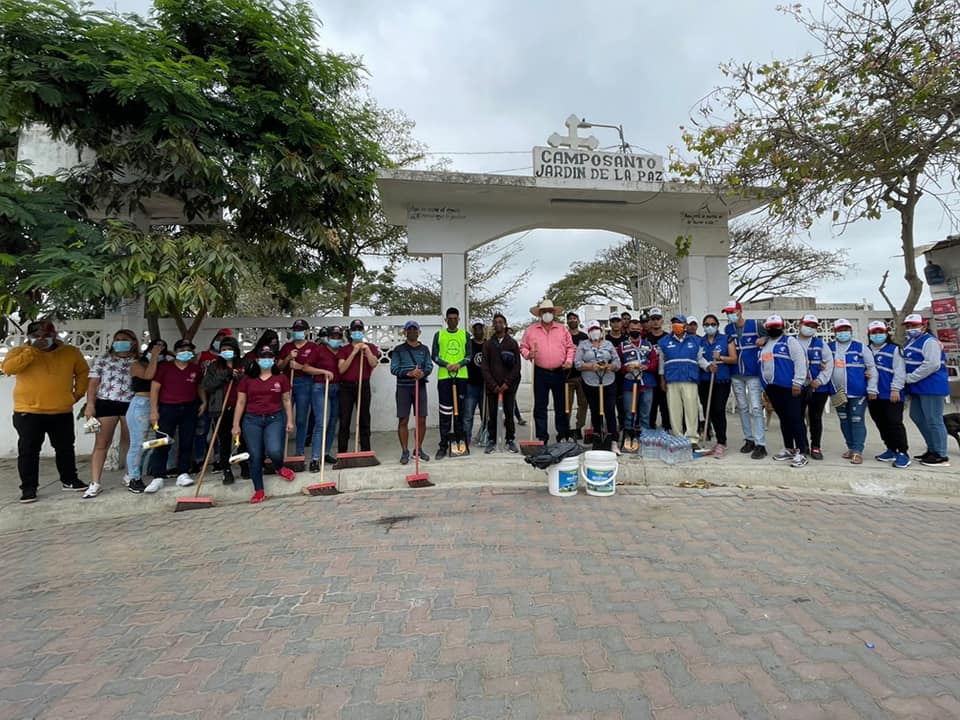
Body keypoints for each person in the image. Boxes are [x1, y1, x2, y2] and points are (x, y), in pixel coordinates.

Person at [3, 319, 89, 502]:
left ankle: (69, 480)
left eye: (46, 335)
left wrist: (77, 394)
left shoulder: (70, 352)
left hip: (61, 410)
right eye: (36, 336)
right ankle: (28, 488)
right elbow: (9, 368)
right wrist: (31, 351)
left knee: (65, 448)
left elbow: (83, 372)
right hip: (28, 412)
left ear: (54, 335)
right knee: (28, 451)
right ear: (29, 337)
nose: (41, 339)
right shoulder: (19, 351)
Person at [231, 347, 295, 504]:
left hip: (275, 418)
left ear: (274, 359)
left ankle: (279, 466)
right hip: (252, 420)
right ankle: (258, 490)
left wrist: (289, 420)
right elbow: (241, 402)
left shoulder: (281, 378)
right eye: (263, 357)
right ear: (257, 360)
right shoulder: (247, 380)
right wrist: (236, 425)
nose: (266, 360)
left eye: (269, 357)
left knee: (274, 450)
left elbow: (287, 400)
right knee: (255, 455)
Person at [81, 328, 138, 498]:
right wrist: (90, 405)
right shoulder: (102, 360)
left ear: (133, 342)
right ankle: (95, 482)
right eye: (117, 339)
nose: (120, 342)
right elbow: (93, 384)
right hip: (106, 403)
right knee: (101, 443)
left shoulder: (138, 361)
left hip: (131, 403)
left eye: (124, 339)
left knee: (129, 442)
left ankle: (130, 476)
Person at [147, 339, 204, 492]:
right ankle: (158, 476)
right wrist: (153, 411)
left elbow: (199, 386)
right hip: (168, 408)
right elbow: (154, 389)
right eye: (182, 349)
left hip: (189, 407)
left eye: (189, 350)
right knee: (162, 441)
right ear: (176, 351)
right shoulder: (165, 367)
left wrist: (204, 401)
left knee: (187, 441)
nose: (186, 352)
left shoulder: (195, 368)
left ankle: (183, 473)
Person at [520, 299, 575, 444]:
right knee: (540, 406)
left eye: (550, 311)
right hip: (540, 372)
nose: (547, 314)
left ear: (554, 313)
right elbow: (523, 347)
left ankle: (562, 435)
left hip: (559, 371)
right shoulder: (531, 330)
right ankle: (541, 437)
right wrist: (528, 354)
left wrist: (569, 360)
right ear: (540, 314)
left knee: (561, 406)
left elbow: (570, 347)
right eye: (544, 312)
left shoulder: (562, 329)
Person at [758, 314, 809, 468]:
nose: (774, 329)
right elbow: (762, 365)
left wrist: (798, 382)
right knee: (784, 419)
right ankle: (789, 448)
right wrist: (765, 386)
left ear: (783, 327)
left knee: (795, 418)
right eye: (771, 327)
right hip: (772, 388)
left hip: (790, 387)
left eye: (777, 326)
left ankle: (802, 451)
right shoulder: (765, 344)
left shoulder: (790, 341)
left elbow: (800, 362)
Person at [902, 313, 951, 466]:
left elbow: (932, 364)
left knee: (934, 420)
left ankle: (941, 454)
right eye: (908, 326)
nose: (911, 328)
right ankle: (932, 448)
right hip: (917, 387)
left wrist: (911, 377)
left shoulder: (929, 341)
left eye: (914, 325)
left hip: (931, 386)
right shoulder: (911, 341)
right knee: (917, 416)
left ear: (923, 326)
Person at [828, 319, 877, 464]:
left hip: (857, 392)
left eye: (846, 330)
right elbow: (822, 364)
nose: (843, 332)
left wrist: (872, 388)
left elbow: (871, 368)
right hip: (837, 391)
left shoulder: (860, 347)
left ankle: (858, 450)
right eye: (840, 330)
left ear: (850, 331)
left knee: (857, 420)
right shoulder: (829, 348)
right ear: (835, 332)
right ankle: (850, 447)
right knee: (844, 420)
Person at [723, 299, 768, 459]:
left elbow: (770, 337)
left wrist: (764, 340)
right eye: (728, 313)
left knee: (755, 408)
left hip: (753, 373)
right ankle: (749, 439)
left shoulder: (755, 325)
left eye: (732, 312)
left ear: (740, 311)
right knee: (742, 407)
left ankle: (760, 443)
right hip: (736, 373)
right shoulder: (728, 329)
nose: (730, 315)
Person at [200, 336, 247, 484]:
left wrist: (239, 377)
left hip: (241, 407)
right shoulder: (214, 366)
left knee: (243, 438)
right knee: (224, 439)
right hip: (221, 408)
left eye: (229, 349)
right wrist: (224, 375)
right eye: (224, 349)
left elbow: (250, 383)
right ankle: (226, 469)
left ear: (235, 350)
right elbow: (207, 385)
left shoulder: (243, 364)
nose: (226, 351)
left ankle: (244, 465)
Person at [866, 321, 911, 469]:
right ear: (869, 335)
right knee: (881, 423)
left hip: (891, 394)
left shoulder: (895, 349)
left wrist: (895, 389)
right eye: (874, 332)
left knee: (894, 423)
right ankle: (891, 449)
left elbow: (900, 372)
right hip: (873, 395)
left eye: (880, 332)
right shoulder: (866, 350)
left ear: (886, 333)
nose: (877, 335)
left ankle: (903, 453)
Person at [390, 320, 433, 464]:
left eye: (415, 329)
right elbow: (394, 368)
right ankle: (405, 451)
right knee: (403, 419)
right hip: (403, 388)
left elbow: (429, 366)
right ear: (405, 332)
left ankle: (418, 449)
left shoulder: (425, 349)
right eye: (410, 329)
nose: (412, 332)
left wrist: (422, 373)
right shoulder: (398, 350)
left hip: (419, 387)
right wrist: (409, 373)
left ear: (419, 332)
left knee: (421, 419)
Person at [277, 320, 322, 460]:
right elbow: (279, 367)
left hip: (305, 384)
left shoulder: (313, 347)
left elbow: (316, 367)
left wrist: (300, 366)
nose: (298, 332)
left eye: (301, 329)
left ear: (307, 331)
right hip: (287, 384)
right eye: (296, 329)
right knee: (284, 418)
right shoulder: (287, 347)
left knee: (301, 419)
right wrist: (288, 358)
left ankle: (299, 451)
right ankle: (280, 451)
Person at [125, 340, 165, 493]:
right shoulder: (137, 364)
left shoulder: (162, 365)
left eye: (162, 349)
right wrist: (154, 356)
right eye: (156, 348)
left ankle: (150, 470)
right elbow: (148, 376)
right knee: (138, 443)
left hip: (156, 404)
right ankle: (133, 478)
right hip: (141, 404)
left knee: (155, 441)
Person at [575, 321, 621, 453]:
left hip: (608, 380)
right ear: (588, 332)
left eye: (597, 329)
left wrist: (609, 366)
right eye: (592, 329)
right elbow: (577, 364)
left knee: (610, 410)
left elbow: (617, 362)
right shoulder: (583, 345)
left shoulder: (608, 344)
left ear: (601, 331)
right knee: (595, 410)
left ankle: (613, 441)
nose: (595, 331)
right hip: (590, 382)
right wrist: (590, 366)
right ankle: (598, 438)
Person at [658, 314, 702, 448]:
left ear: (685, 325)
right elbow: (661, 363)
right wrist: (662, 379)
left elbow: (700, 359)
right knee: (674, 410)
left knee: (691, 410)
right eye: (674, 322)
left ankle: (692, 439)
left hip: (690, 379)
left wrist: (708, 366)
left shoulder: (695, 341)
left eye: (679, 322)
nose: (676, 325)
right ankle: (678, 438)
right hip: (672, 380)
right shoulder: (664, 341)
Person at [337, 319, 380, 454]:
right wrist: (354, 352)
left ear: (363, 331)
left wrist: (366, 351)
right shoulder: (344, 349)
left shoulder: (371, 347)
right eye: (354, 329)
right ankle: (342, 453)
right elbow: (341, 369)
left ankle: (365, 451)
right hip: (346, 387)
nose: (357, 331)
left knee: (364, 419)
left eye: (359, 329)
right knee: (344, 420)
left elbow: (373, 363)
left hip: (363, 385)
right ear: (350, 332)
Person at [431, 307, 469, 458]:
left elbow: (469, 355)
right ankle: (443, 445)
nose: (452, 321)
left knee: (460, 412)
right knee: (445, 413)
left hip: (461, 377)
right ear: (446, 320)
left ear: (459, 320)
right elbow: (434, 356)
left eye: (455, 318)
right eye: (450, 319)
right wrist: (446, 364)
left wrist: (459, 364)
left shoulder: (465, 335)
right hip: (445, 378)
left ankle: (460, 441)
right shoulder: (439, 335)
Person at [795, 314, 834, 460]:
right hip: (797, 386)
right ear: (800, 324)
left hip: (818, 388)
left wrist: (820, 380)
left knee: (815, 417)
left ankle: (816, 446)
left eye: (813, 326)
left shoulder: (821, 344)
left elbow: (829, 364)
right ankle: (802, 445)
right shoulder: (791, 341)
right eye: (807, 325)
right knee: (797, 417)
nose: (809, 328)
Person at [481, 313, 522, 453]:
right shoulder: (488, 344)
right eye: (495, 322)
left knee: (509, 413)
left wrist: (507, 383)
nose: (498, 324)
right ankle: (492, 440)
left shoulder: (512, 343)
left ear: (505, 324)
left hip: (508, 387)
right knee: (492, 415)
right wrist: (493, 385)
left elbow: (517, 366)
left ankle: (510, 439)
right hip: (493, 388)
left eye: (500, 322)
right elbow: (484, 367)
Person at [698, 314, 737, 457]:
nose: (710, 326)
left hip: (721, 380)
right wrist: (708, 367)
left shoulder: (726, 339)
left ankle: (722, 441)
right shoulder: (700, 341)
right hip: (704, 380)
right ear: (703, 326)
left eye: (713, 324)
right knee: (708, 410)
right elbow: (698, 359)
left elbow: (734, 359)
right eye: (707, 324)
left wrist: (720, 357)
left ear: (717, 325)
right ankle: (715, 436)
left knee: (718, 410)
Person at [618, 318, 657, 452]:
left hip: (646, 383)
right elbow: (617, 363)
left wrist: (647, 367)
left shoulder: (648, 345)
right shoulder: (622, 346)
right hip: (629, 383)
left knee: (645, 413)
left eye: (637, 329)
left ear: (641, 330)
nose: (635, 331)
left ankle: (644, 438)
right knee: (629, 412)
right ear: (628, 330)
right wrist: (625, 368)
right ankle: (628, 436)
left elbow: (654, 361)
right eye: (632, 329)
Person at [308, 326, 343, 472]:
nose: (336, 339)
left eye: (338, 337)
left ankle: (326, 453)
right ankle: (315, 459)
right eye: (333, 337)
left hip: (337, 388)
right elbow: (306, 367)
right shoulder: (319, 350)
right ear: (328, 338)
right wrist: (323, 371)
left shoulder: (342, 351)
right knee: (322, 422)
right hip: (321, 387)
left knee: (333, 422)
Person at [646, 307, 671, 431]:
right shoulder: (646, 339)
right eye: (653, 319)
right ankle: (651, 427)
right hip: (650, 375)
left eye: (658, 318)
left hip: (665, 375)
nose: (656, 321)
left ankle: (667, 427)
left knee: (665, 403)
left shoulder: (668, 337)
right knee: (651, 403)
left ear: (662, 320)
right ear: (650, 321)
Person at [565, 312, 589, 440]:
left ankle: (579, 427)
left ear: (578, 320)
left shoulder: (584, 337)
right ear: (567, 322)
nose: (572, 320)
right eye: (569, 319)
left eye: (574, 318)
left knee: (583, 404)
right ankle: (566, 428)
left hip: (582, 376)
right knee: (566, 405)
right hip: (567, 377)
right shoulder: (564, 335)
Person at [463, 321, 486, 446]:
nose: (478, 331)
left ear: (483, 330)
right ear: (473, 331)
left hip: (485, 385)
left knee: (486, 415)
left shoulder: (488, 344)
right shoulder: (469, 344)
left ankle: (484, 438)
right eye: (476, 329)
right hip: (470, 385)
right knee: (468, 415)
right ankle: (466, 440)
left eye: (480, 328)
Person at [605, 313, 627, 434]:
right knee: (609, 402)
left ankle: (623, 423)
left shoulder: (626, 339)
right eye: (613, 321)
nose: (616, 324)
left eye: (618, 321)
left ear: (621, 323)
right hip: (608, 374)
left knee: (622, 401)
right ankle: (610, 427)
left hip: (623, 374)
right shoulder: (605, 339)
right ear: (610, 323)